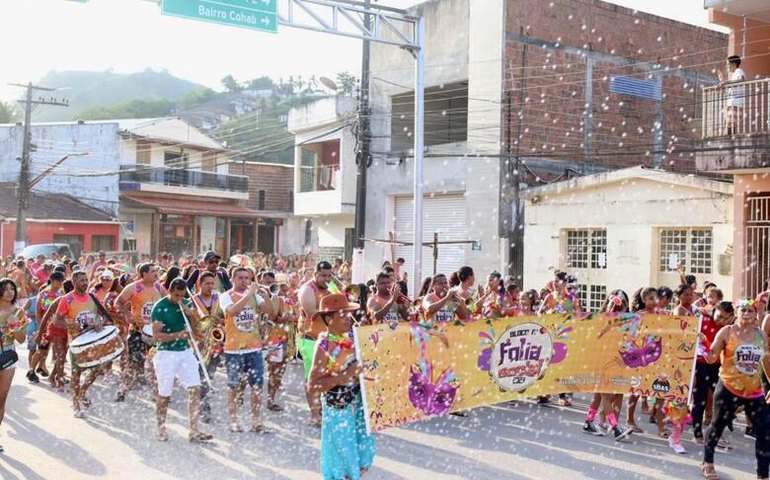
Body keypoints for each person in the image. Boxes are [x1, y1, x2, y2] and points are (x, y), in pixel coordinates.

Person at [308, 293, 376, 480]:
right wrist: (344, 376)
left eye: (349, 313)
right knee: (342, 459)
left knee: (360, 456)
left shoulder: (350, 338)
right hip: (338, 408)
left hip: (357, 406)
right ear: (329, 319)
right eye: (343, 315)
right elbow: (313, 385)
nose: (348, 318)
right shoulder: (324, 345)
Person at [700, 299, 770, 480]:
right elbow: (711, 357)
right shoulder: (727, 332)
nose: (746, 314)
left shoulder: (760, 335)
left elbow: (766, 361)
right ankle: (707, 462)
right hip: (728, 388)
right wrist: (704, 347)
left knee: (764, 430)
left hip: (754, 391)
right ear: (736, 313)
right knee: (717, 425)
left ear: (755, 315)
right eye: (743, 310)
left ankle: (763, 474)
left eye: (750, 311)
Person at [151, 278, 213, 443]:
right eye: (176, 295)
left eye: (182, 295)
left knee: (195, 389)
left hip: (185, 352)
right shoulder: (160, 307)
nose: (179, 299)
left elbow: (197, 330)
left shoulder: (186, 303)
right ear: (170, 291)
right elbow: (156, 337)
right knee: (164, 394)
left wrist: (191, 315)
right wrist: (177, 335)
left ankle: (194, 430)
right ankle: (161, 428)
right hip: (166, 354)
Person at [220, 267, 275, 433]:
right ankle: (233, 420)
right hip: (234, 349)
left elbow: (271, 312)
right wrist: (249, 294)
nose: (245, 281)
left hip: (254, 348)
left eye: (247, 278)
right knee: (233, 386)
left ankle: (256, 421)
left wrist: (266, 295)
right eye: (241, 278)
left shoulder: (254, 295)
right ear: (233, 279)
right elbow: (232, 311)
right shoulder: (225, 296)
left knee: (257, 385)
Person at [53, 271, 106, 418]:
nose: (85, 282)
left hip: (93, 341)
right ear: (74, 282)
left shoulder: (93, 298)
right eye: (81, 280)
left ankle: (82, 392)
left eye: (86, 280)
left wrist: (99, 322)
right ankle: (75, 404)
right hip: (76, 343)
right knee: (76, 374)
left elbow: (103, 315)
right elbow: (56, 321)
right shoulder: (67, 299)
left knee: (96, 370)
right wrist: (71, 324)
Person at [114, 262, 167, 402]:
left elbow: (169, 303)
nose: (156, 274)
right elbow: (117, 303)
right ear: (144, 274)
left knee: (156, 363)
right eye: (153, 271)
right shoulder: (133, 287)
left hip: (154, 332)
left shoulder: (159, 287)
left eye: (157, 271)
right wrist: (128, 315)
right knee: (133, 363)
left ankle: (157, 393)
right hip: (137, 331)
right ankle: (123, 390)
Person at [297, 261, 333, 427]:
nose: (327, 279)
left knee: (328, 375)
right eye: (323, 275)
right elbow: (312, 313)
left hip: (328, 338)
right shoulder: (307, 289)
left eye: (329, 275)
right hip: (309, 338)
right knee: (313, 376)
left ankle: (324, 410)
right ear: (315, 274)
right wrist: (335, 309)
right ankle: (314, 414)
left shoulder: (331, 288)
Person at [191, 271, 225, 423]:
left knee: (209, 376)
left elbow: (226, 317)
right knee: (201, 376)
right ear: (200, 284)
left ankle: (203, 402)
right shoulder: (192, 300)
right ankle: (205, 408)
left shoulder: (219, 299)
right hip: (199, 344)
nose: (210, 286)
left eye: (213, 283)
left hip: (216, 344)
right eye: (207, 283)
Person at [260, 271, 292, 412]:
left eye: (271, 282)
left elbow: (276, 316)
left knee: (275, 370)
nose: (269, 285)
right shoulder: (252, 297)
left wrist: (287, 316)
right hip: (256, 340)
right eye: (266, 282)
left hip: (275, 339)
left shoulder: (278, 299)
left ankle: (270, 400)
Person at [0, 278, 26, 453]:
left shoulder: (19, 312)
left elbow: (22, 339)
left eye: (12, 288)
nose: (10, 291)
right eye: (5, 288)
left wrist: (13, 325)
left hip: (7, 356)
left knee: (1, 399)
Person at [717, 54, 747, 135]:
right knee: (730, 124)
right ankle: (730, 139)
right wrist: (722, 80)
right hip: (732, 104)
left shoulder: (739, 71)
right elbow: (729, 91)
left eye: (727, 64)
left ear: (733, 64)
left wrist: (726, 82)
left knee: (730, 125)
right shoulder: (734, 75)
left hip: (736, 104)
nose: (726, 67)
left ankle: (730, 140)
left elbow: (741, 80)